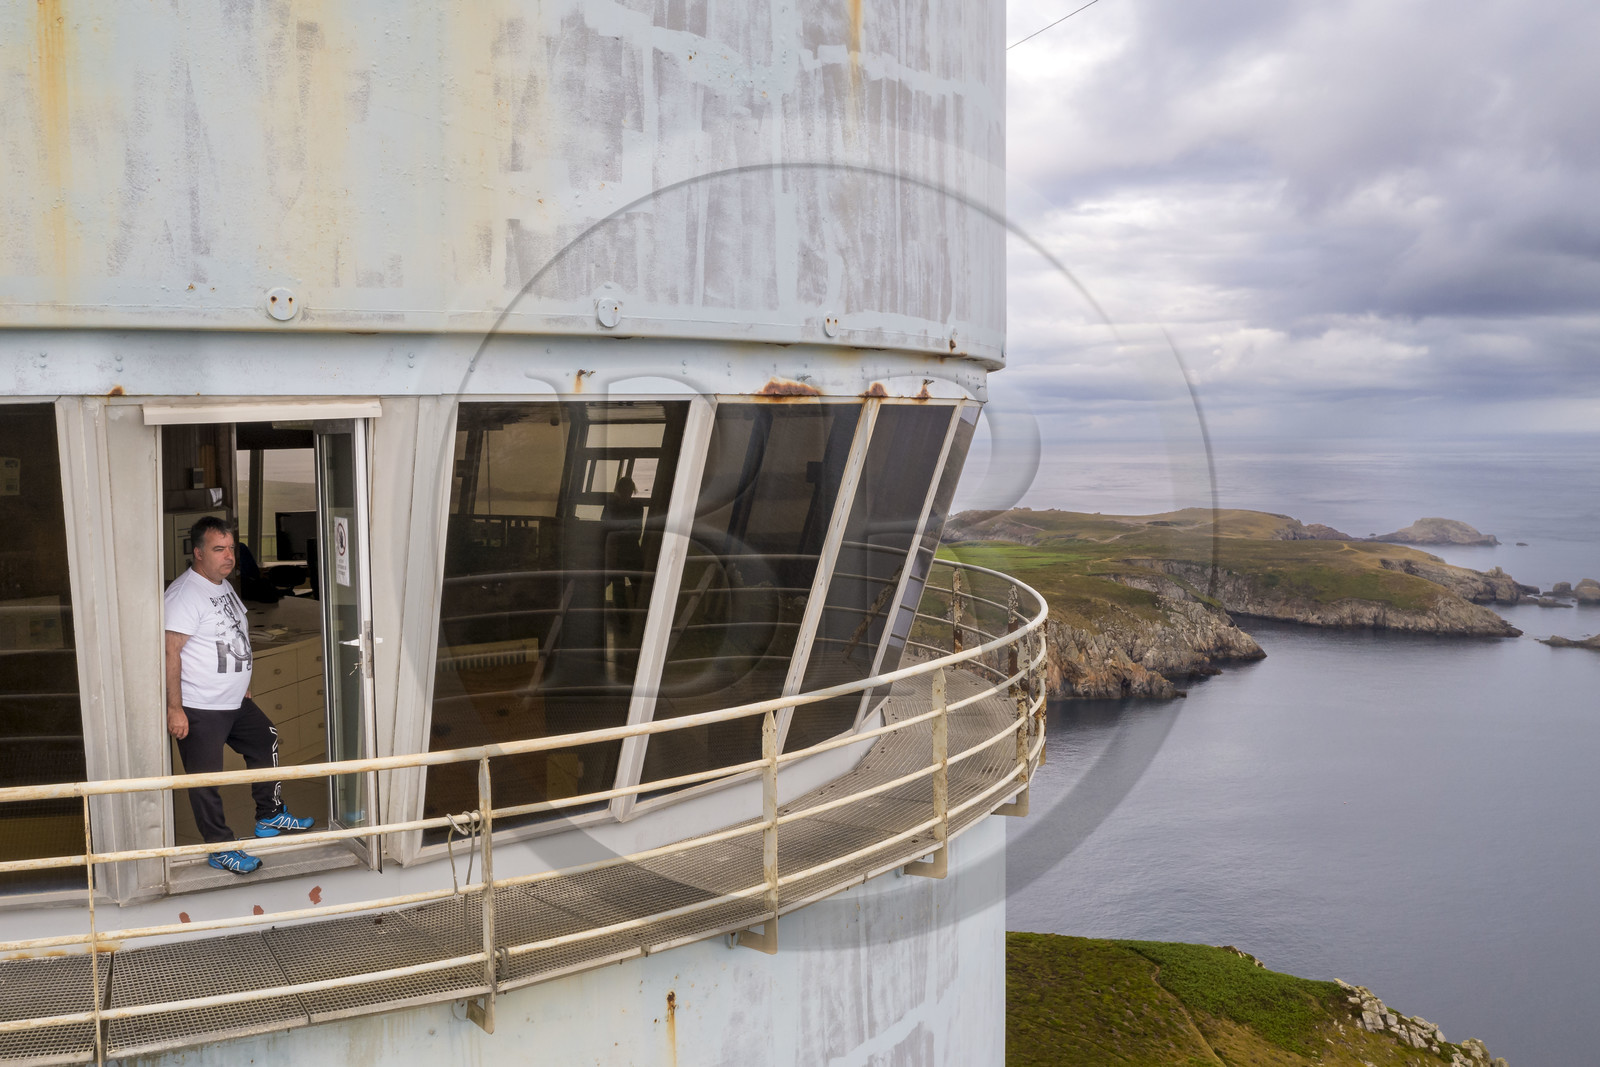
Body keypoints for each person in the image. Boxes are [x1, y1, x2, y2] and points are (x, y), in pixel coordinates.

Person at [164, 516, 313, 873]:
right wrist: (175, 708)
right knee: (207, 780)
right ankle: (219, 847)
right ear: (198, 553)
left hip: (234, 701)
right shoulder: (184, 594)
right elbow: (169, 653)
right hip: (200, 706)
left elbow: (231, 635)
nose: (229, 556)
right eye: (219, 549)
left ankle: (270, 816)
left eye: (231, 548)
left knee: (265, 740)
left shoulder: (223, 585)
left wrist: (241, 680)